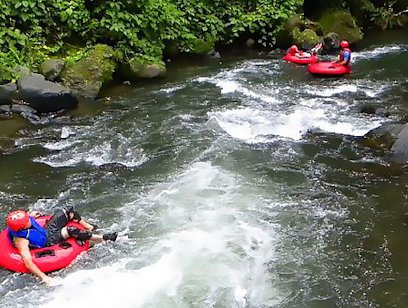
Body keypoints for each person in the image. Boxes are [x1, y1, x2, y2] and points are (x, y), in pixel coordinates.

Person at [6, 207, 118, 285]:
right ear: (22, 227)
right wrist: (44, 278)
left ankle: (88, 227)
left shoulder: (25, 221)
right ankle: (103, 238)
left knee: (68, 210)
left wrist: (30, 215)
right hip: (48, 242)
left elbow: (28, 218)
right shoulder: (21, 240)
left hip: (46, 231)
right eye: (26, 220)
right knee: (71, 230)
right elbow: (27, 262)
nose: (28, 219)